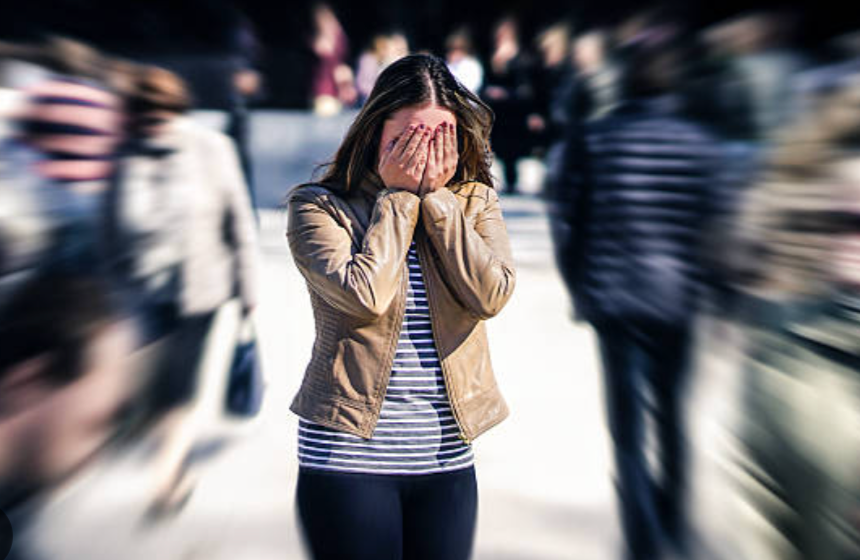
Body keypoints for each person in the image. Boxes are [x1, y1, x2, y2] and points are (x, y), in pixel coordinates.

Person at [285, 53, 516, 560]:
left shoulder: (474, 202)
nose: (423, 154)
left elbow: (491, 294)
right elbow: (364, 295)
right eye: (407, 139)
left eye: (438, 138)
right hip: (347, 457)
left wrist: (437, 203)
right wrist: (398, 198)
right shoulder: (320, 207)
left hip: (446, 459)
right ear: (373, 133)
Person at [556, 27, 721, 560]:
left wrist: (580, 286)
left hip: (616, 300)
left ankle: (643, 542)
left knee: (627, 431)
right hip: (677, 300)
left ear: (623, 77)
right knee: (672, 416)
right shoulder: (700, 143)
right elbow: (712, 230)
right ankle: (673, 528)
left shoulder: (595, 138)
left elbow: (570, 222)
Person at [111, 66, 259, 517]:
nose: (154, 122)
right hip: (142, 293)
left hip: (200, 292)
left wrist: (248, 290)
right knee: (152, 387)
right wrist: (114, 286)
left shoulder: (212, 149)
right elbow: (107, 229)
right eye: (144, 114)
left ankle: (167, 477)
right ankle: (163, 452)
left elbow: (239, 220)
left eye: (161, 112)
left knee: (177, 385)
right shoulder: (125, 155)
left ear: (177, 109)